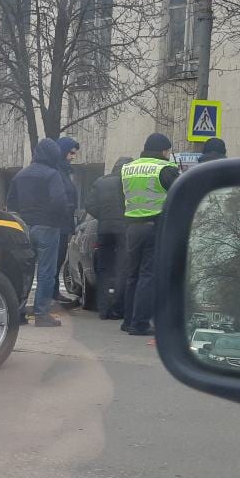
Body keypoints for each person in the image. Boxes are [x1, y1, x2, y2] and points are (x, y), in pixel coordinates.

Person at [7, 138, 73, 327]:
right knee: (46, 272)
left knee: (24, 271)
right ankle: (41, 314)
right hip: (47, 227)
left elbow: (10, 203)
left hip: (24, 228)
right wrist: (60, 218)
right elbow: (59, 202)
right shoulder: (52, 175)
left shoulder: (20, 175)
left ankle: (18, 312)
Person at [120, 133, 180, 336]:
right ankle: (140, 323)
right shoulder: (165, 169)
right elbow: (179, 193)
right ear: (164, 151)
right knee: (148, 275)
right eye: (168, 151)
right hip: (154, 226)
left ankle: (127, 321)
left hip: (132, 227)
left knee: (132, 275)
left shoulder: (127, 168)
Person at [84, 156, 132, 320]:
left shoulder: (100, 182)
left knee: (103, 270)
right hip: (124, 230)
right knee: (122, 269)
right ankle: (119, 308)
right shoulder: (128, 183)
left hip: (104, 230)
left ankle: (103, 310)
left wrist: (103, 217)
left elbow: (89, 205)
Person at [54, 136, 81, 306]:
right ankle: (50, 295)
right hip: (57, 225)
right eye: (71, 153)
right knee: (53, 263)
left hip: (63, 224)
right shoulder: (57, 172)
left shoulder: (63, 172)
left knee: (57, 262)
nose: (73, 157)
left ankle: (54, 293)